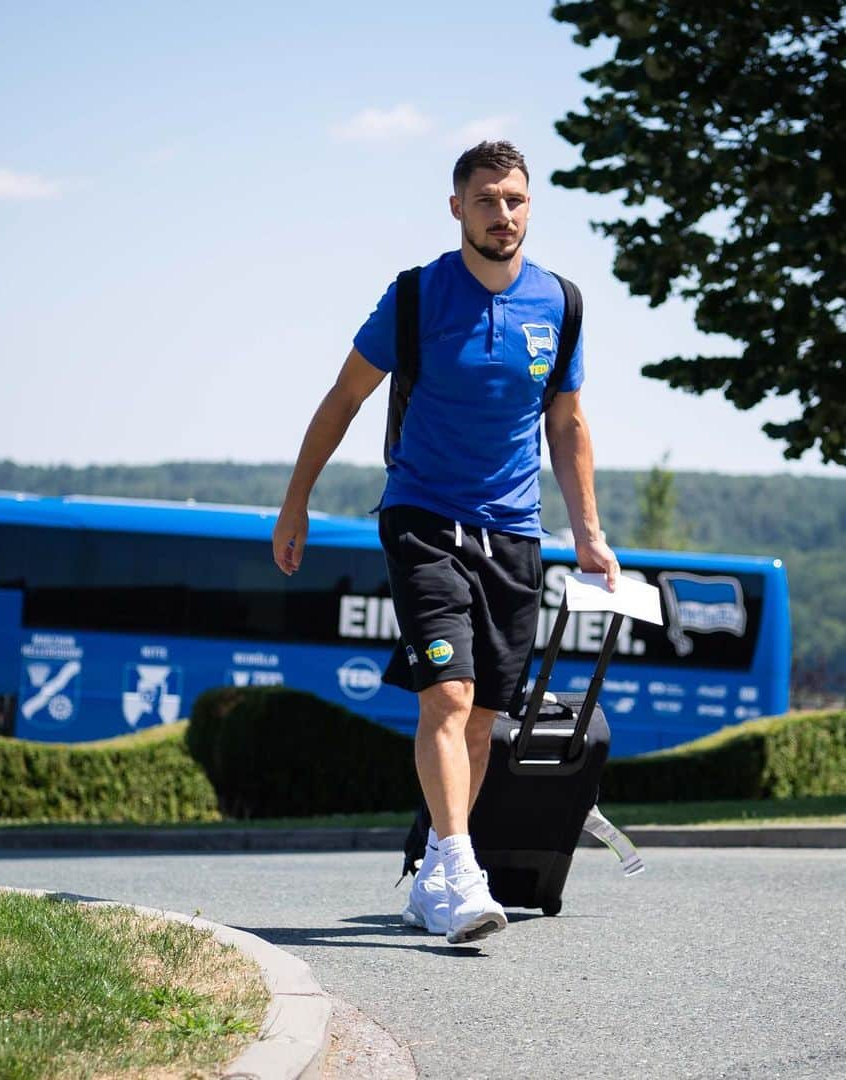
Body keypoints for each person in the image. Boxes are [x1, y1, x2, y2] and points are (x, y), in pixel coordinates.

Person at [272, 140, 619, 944]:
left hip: (515, 531)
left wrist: (590, 534)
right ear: (457, 206)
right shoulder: (414, 297)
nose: (505, 213)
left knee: (483, 716)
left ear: (531, 206)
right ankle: (462, 870)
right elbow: (343, 399)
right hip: (423, 516)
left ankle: (435, 868)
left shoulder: (560, 304)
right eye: (489, 199)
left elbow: (566, 425)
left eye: (517, 199)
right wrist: (295, 505)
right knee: (449, 696)